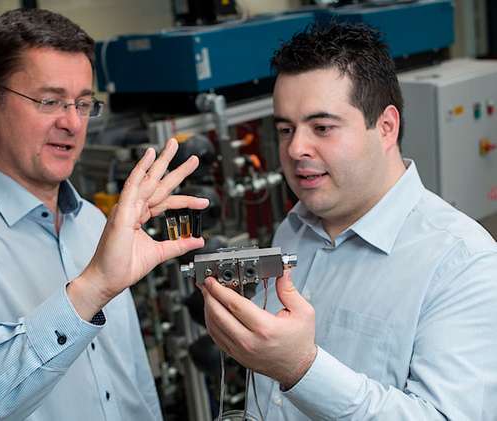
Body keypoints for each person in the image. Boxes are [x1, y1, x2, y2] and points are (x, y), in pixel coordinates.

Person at [0, 8, 208, 421]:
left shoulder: (96, 224)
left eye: (83, 104)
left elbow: (133, 387)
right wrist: (87, 293)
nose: (72, 123)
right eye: (50, 101)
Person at [200, 22, 497, 420]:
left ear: (386, 127)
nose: (295, 148)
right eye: (286, 129)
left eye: (322, 127)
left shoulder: (463, 263)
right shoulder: (295, 227)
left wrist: (301, 369)